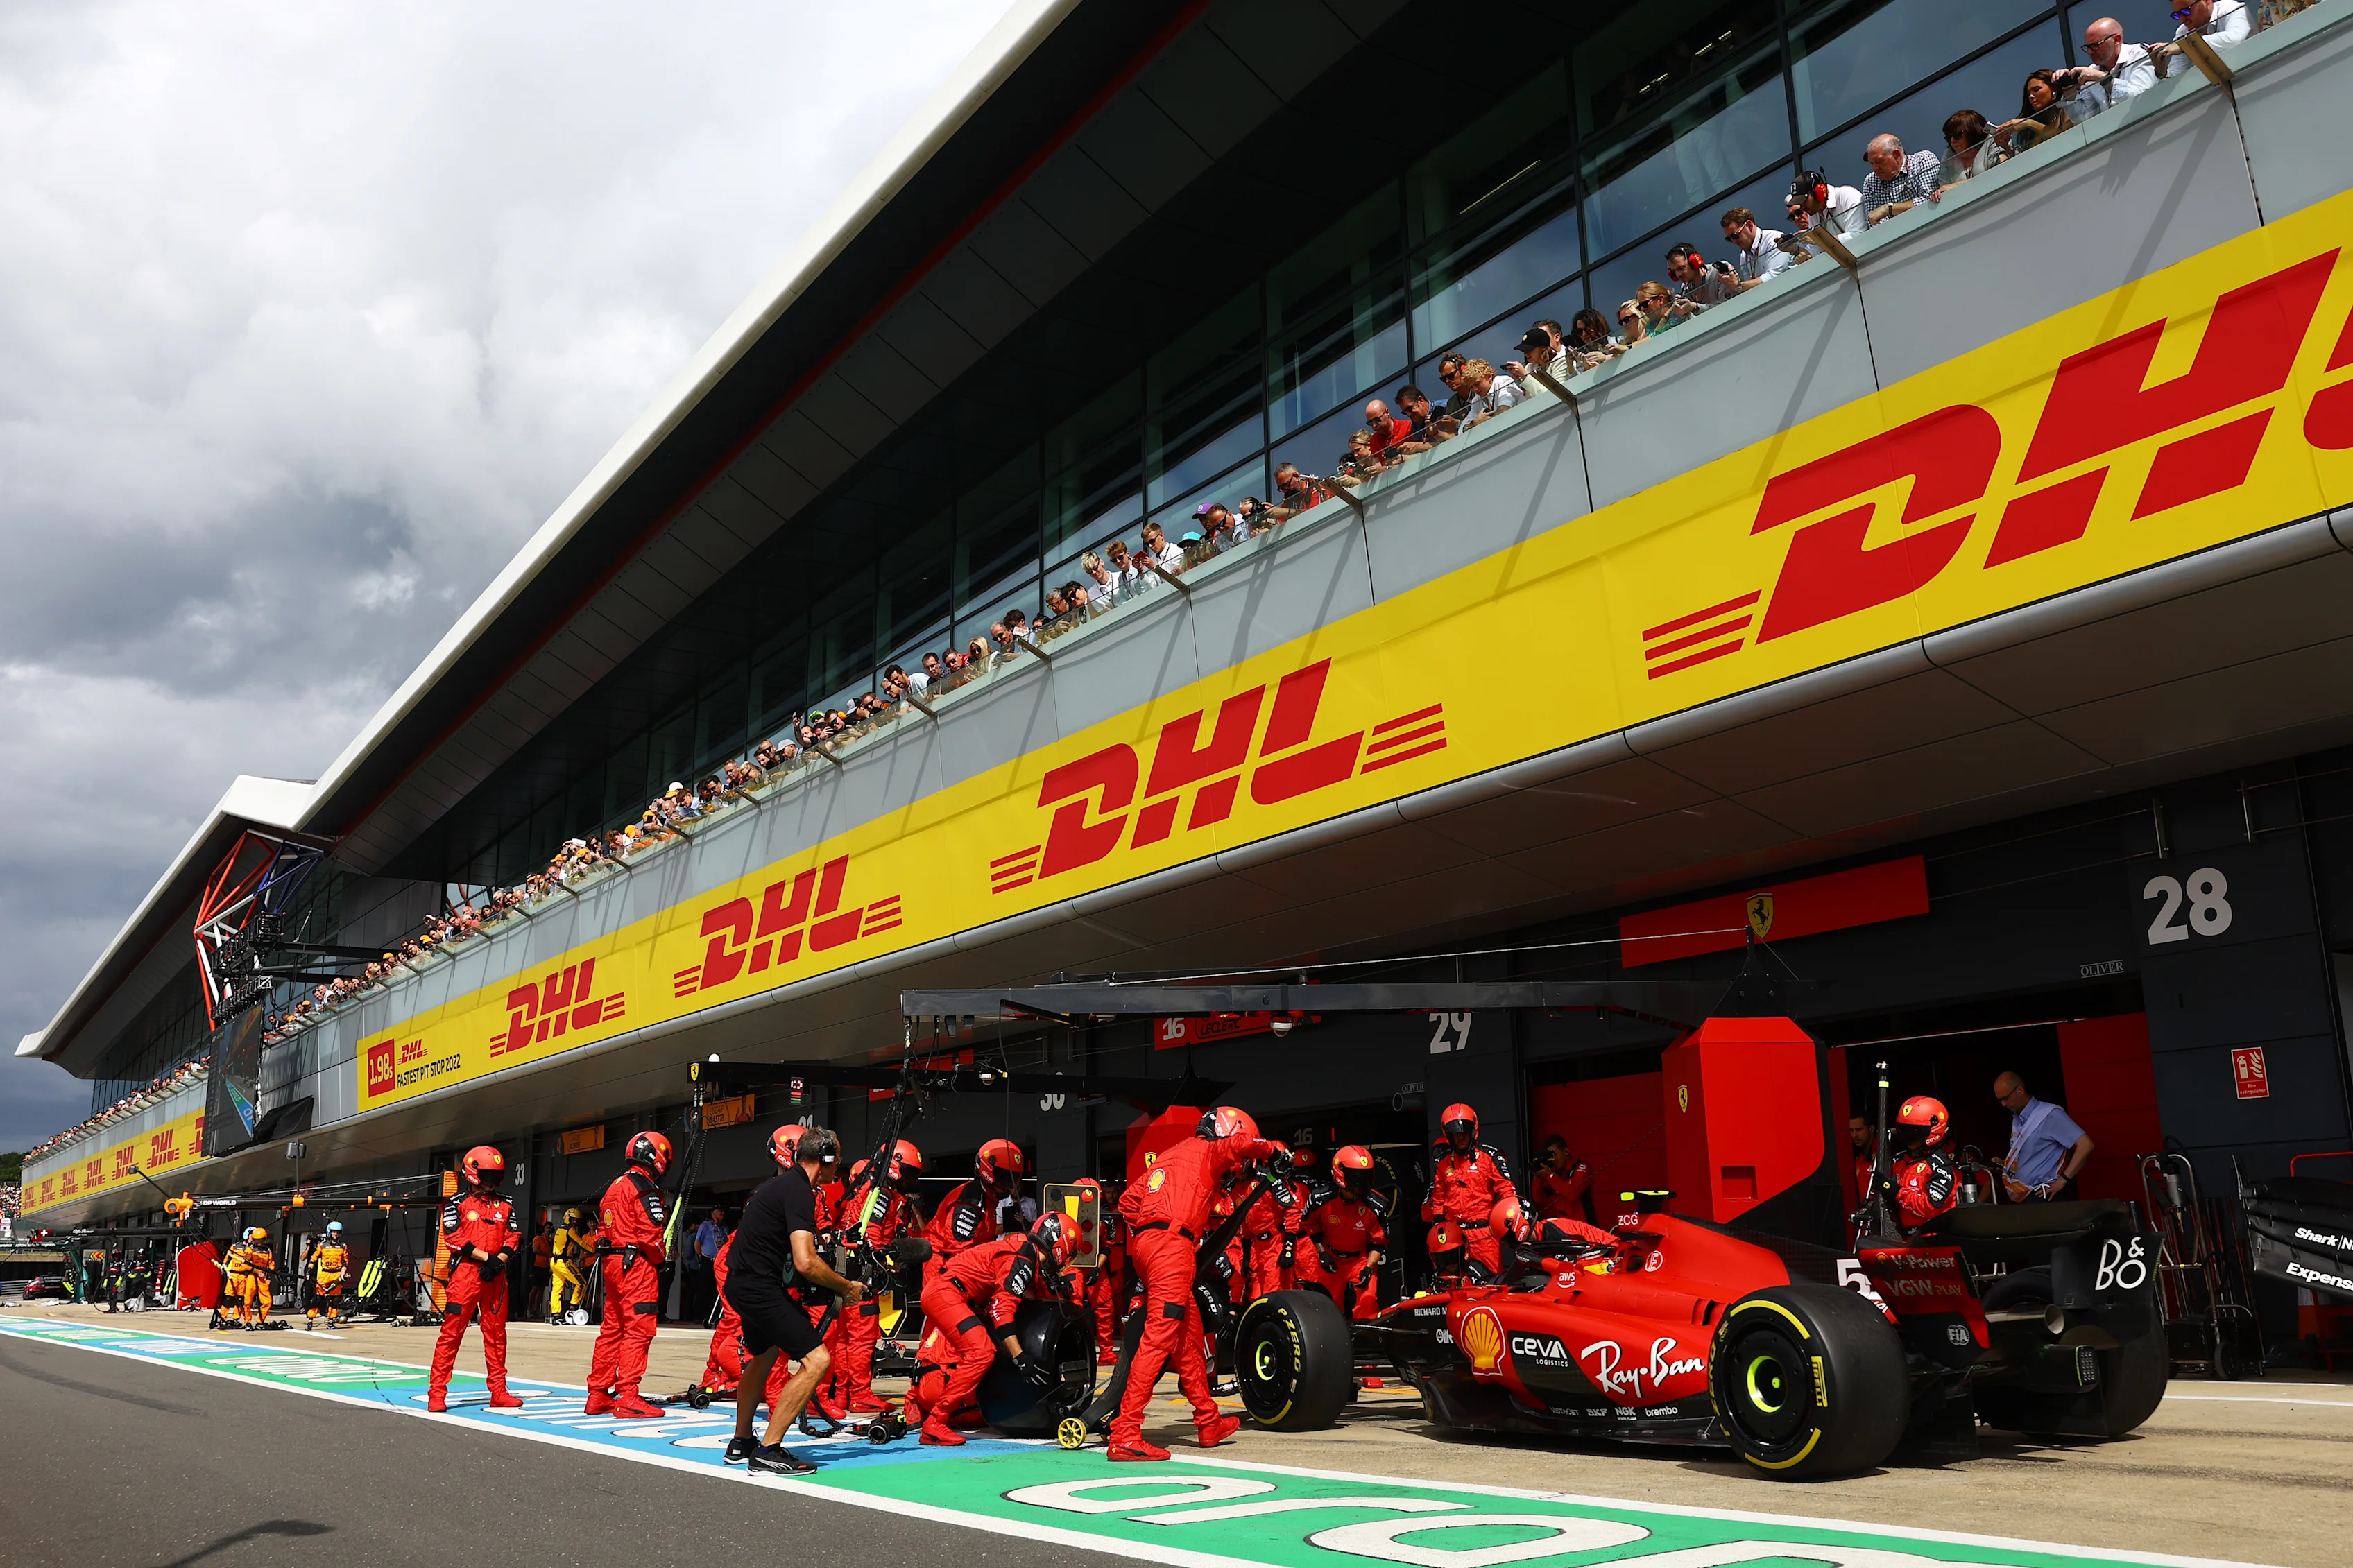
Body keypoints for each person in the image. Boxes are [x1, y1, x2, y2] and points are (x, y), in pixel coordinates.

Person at [1110, 1105, 1286, 1462]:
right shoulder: (1210, 1151)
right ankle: (1126, 1432)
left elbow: (1128, 1203)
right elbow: (1238, 1146)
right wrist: (1273, 1152)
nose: (1238, 1170)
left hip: (1150, 1246)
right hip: (1172, 1249)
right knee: (1159, 1338)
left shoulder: (1168, 1156)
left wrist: (1153, 1230)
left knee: (1188, 1337)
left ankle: (1208, 1421)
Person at [724, 1125, 866, 1475]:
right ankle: (768, 1450)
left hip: (741, 1283)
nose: (839, 1166)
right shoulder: (800, 1191)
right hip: (759, 1287)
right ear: (825, 1158)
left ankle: (742, 1442)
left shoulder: (780, 1185)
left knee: (764, 1356)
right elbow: (805, 1262)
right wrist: (845, 1288)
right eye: (837, 1159)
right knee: (817, 1361)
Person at [904, 1211, 1080, 1445]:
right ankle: (936, 1422)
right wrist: (1021, 1359)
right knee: (981, 1353)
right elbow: (1001, 1311)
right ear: (1062, 1247)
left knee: (979, 1350)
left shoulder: (1024, 1253)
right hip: (948, 1294)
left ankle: (926, 1411)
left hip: (953, 1294)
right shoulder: (1023, 1258)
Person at [429, 1145, 526, 1413]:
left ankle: (499, 1391)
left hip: (496, 1276)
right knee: (451, 1334)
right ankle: (437, 1393)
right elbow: (454, 1239)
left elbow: (514, 1237)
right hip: (466, 1274)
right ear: (473, 1174)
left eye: (496, 1176)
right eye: (488, 1176)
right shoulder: (456, 1203)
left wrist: (498, 1261)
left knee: (497, 1336)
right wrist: (487, 1258)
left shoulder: (506, 1204)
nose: (492, 1182)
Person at [832, 1139, 924, 1412]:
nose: (910, 1180)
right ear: (896, 1167)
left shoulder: (876, 1189)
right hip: (862, 1273)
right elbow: (871, 1234)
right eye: (908, 1173)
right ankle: (859, 1394)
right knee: (862, 1336)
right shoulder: (881, 1193)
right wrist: (883, 1264)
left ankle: (843, 1395)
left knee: (845, 1337)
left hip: (849, 1269)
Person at [585, 1130, 671, 1418]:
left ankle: (598, 1394)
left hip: (612, 1264)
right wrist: (661, 1261)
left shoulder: (615, 1185)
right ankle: (628, 1396)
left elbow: (603, 1230)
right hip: (637, 1266)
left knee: (612, 1329)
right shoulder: (644, 1187)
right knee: (639, 1329)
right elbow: (651, 1235)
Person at [1293, 1146, 1386, 1324]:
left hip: (1360, 1260)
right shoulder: (1320, 1199)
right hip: (1331, 1257)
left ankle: (1367, 1337)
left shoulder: (1377, 1205)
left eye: (1365, 1177)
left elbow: (1379, 1242)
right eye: (1357, 1177)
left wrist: (1368, 1268)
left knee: (1368, 1303)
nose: (1361, 1183)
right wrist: (1322, 1253)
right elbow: (1310, 1225)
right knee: (1327, 1308)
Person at [1423, 1103, 1517, 1278]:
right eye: (1457, 1135)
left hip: (1484, 1235)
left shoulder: (1489, 1157)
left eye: (1465, 1133)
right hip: (1454, 1237)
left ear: (1473, 1132)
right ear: (1449, 1136)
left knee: (1491, 1283)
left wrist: (1508, 1221)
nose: (1461, 1137)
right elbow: (1439, 1198)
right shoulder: (1443, 1163)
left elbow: (1507, 1191)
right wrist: (1439, 1227)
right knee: (1455, 1284)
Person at [923, 1139, 1024, 1277]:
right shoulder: (969, 1202)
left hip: (963, 1263)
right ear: (990, 1174)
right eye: (1006, 1179)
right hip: (943, 1267)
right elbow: (958, 1251)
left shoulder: (988, 1198)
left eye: (1013, 1179)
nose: (1009, 1186)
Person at [1996, 1073, 2094, 1201]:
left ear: (2020, 1090)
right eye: (2000, 1100)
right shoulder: (2018, 1119)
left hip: (2046, 1194)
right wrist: (2007, 1165)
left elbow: (2086, 1145)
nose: (2003, 1104)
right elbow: (2035, 1157)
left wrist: (2063, 1180)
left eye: (2006, 1098)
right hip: (2025, 1195)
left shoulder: (2049, 1114)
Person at [1887, 1097, 1959, 1230]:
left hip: (1934, 1238)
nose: (1909, 1138)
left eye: (1915, 1132)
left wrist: (1897, 1192)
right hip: (1900, 1237)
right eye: (1905, 1130)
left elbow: (1931, 1207)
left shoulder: (1942, 1167)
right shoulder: (1897, 1162)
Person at [1076, 1175, 1127, 1364]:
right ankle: (1076, 1351)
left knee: (1106, 1307)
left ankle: (1106, 1353)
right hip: (1072, 1266)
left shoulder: (1106, 1216)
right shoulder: (1065, 1213)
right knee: (1074, 1309)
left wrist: (1097, 1267)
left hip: (1095, 1265)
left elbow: (1108, 1245)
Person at [1857, 134, 1941, 226]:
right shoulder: (1870, 182)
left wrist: (1888, 209)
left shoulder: (1921, 161)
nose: (1875, 168)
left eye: (1879, 161)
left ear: (1896, 155)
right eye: (1872, 163)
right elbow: (1873, 221)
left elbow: (1931, 201)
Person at [1720, 207, 1790, 292]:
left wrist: (1738, 286)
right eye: (1729, 239)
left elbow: (1774, 277)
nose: (1734, 242)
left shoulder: (1773, 240)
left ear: (1749, 225)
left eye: (1735, 236)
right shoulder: (1744, 255)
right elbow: (1750, 288)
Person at [1784, 169, 1865, 241]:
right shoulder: (1813, 212)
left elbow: (1858, 235)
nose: (1802, 207)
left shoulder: (1848, 196)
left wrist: (1822, 239)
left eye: (1804, 201)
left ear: (1818, 192)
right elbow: (1817, 249)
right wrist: (1796, 249)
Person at [1530, 1135, 1593, 1227]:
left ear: (1566, 1151)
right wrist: (1538, 1177)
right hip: (1565, 1227)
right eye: (1550, 1156)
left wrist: (1550, 1175)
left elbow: (1572, 1194)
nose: (1553, 1160)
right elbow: (1539, 1198)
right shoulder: (1555, 1173)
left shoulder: (1581, 1167)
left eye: (1554, 1154)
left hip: (1585, 1227)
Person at [549, 1207, 594, 1325]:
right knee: (582, 1283)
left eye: (576, 1220)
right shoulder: (570, 1231)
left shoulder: (559, 1229)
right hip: (564, 1262)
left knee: (556, 1289)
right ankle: (573, 1309)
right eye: (573, 1219)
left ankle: (556, 1316)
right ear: (567, 1219)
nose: (575, 1222)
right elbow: (580, 1243)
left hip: (554, 1262)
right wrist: (594, 1251)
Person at [1937, 110, 2004, 186]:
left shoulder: (1991, 141)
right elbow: (1943, 187)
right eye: (1949, 137)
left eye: (1958, 134)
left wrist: (1956, 185)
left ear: (1972, 132)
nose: (1952, 141)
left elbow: (1999, 173)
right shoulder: (1949, 155)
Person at [307, 1221, 350, 1328]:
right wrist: (309, 1270)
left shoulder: (343, 1246)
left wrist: (342, 1276)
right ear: (329, 1232)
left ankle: (331, 1321)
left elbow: (345, 1262)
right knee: (317, 1298)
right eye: (334, 1232)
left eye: (338, 1232)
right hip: (325, 1274)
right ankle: (310, 1320)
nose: (336, 1234)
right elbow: (314, 1258)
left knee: (335, 1300)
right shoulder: (322, 1245)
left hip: (337, 1274)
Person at [690, 1207, 727, 1323]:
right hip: (708, 1260)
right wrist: (701, 1255)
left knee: (716, 1290)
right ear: (713, 1214)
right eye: (720, 1211)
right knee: (703, 1288)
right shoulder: (705, 1226)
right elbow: (697, 1243)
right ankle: (698, 1315)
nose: (722, 1213)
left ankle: (713, 1315)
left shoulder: (724, 1228)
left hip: (720, 1262)